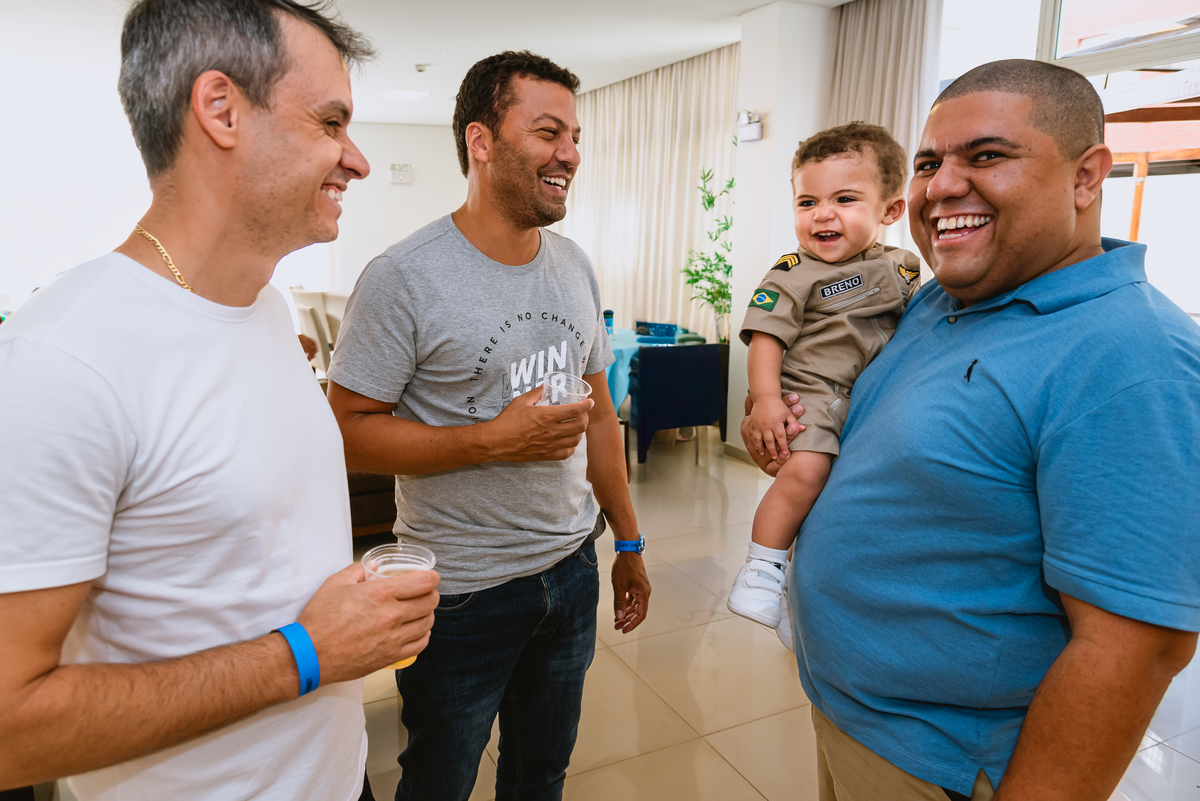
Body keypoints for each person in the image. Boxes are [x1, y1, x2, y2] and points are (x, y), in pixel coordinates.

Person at [0, 2, 440, 800]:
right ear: (221, 109)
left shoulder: (264, 310)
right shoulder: (61, 361)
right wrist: (307, 650)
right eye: (332, 121)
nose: (358, 160)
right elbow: (7, 729)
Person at [743, 59, 1200, 801]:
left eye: (986, 156)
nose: (942, 185)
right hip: (849, 712)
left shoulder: (1132, 356)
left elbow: (1136, 649)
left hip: (942, 760)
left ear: (1087, 177)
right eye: (928, 162)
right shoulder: (938, 300)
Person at [326, 51, 651, 801]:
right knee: (439, 779)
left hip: (570, 571)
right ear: (480, 141)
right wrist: (489, 440)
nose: (569, 152)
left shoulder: (572, 264)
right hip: (461, 595)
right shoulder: (403, 276)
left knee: (541, 771)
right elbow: (344, 429)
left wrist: (627, 540)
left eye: (574, 134)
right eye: (547, 132)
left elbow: (600, 414)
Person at [726, 123, 919, 631]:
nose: (823, 214)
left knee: (836, 501)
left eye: (846, 198)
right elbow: (767, 338)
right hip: (809, 393)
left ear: (891, 210)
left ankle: (799, 599)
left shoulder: (906, 269)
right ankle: (762, 568)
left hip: (866, 405)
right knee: (805, 474)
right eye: (807, 202)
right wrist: (766, 399)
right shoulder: (794, 272)